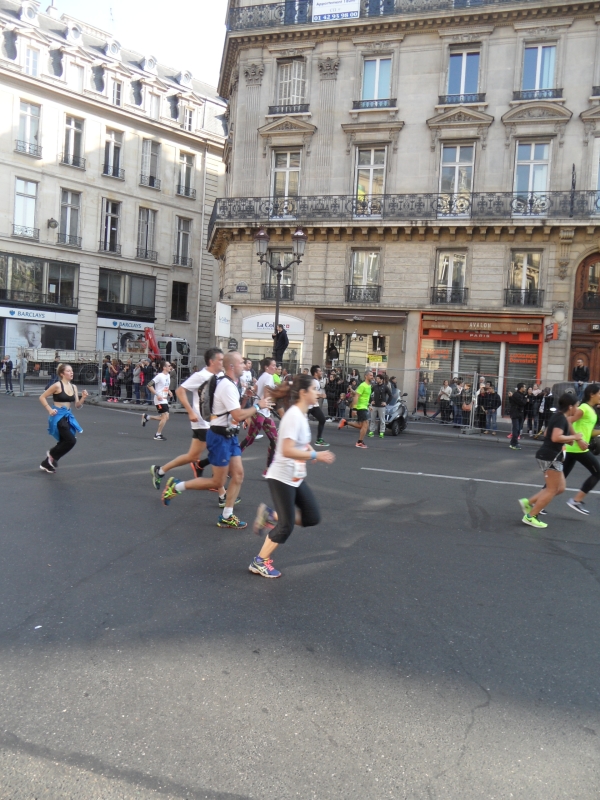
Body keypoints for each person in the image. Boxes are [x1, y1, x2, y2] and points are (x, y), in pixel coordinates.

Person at [161, 351, 272, 529]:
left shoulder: (231, 383)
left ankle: (226, 516)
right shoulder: (227, 385)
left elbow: (234, 411)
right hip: (220, 437)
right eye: (242, 363)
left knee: (238, 475)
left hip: (230, 435)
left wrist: (246, 399)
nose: (245, 366)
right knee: (217, 482)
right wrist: (258, 406)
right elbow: (237, 415)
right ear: (232, 366)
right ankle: (177, 486)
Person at [250, 374, 335, 578]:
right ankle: (259, 561)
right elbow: (287, 450)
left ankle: (270, 515)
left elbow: (299, 442)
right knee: (286, 526)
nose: (318, 393)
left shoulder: (301, 414)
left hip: (294, 477)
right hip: (281, 477)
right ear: (304, 393)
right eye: (314, 389)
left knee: (312, 516)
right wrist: (315, 455)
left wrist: (309, 449)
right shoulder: (294, 416)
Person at [150, 348, 228, 504]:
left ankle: (160, 470)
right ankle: (223, 496)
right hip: (203, 422)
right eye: (220, 359)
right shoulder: (201, 376)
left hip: (210, 421)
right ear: (211, 361)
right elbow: (180, 391)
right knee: (217, 452)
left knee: (192, 456)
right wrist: (191, 411)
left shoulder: (218, 376)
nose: (223, 362)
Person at [519, 393, 585, 528]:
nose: (578, 409)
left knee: (560, 488)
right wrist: (574, 437)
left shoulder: (558, 417)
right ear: (570, 407)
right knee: (552, 489)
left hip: (550, 455)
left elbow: (547, 434)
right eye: (577, 406)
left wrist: (568, 439)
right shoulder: (561, 418)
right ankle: (530, 516)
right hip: (550, 457)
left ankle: (528, 503)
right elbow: (555, 437)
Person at [38, 363, 88, 473]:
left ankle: (47, 462)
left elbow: (77, 405)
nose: (71, 372)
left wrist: (83, 398)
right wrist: (49, 410)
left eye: (72, 371)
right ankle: (52, 455)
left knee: (65, 441)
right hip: (58, 416)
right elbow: (42, 397)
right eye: (68, 371)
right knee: (71, 440)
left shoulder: (74, 387)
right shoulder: (57, 385)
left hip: (68, 416)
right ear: (62, 373)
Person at [562, 384, 600, 515]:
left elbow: (589, 432)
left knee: (560, 478)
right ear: (592, 394)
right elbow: (568, 420)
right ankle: (576, 500)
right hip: (578, 448)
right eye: (599, 393)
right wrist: (578, 439)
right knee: (598, 472)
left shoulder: (591, 409)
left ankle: (533, 503)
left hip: (574, 448)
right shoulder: (584, 408)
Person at [240, 357, 279, 476]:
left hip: (263, 412)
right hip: (260, 412)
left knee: (274, 440)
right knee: (250, 439)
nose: (275, 367)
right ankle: (231, 461)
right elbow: (267, 394)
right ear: (266, 367)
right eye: (273, 365)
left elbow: (255, 389)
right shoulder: (268, 377)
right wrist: (272, 403)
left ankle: (269, 469)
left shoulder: (263, 376)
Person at [339, 370, 373, 448]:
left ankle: (345, 422)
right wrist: (354, 409)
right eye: (370, 375)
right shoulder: (363, 385)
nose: (372, 377)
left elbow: (363, 398)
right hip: (360, 408)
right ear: (366, 376)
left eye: (372, 375)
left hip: (364, 407)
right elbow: (356, 396)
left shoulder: (369, 386)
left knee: (361, 425)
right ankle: (359, 442)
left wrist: (368, 405)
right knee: (365, 425)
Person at [141, 360, 173, 441]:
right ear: (164, 367)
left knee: (166, 417)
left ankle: (147, 417)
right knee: (164, 417)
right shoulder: (159, 376)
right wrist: (157, 394)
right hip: (159, 400)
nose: (170, 367)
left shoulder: (168, 375)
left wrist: (169, 391)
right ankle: (157, 434)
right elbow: (149, 385)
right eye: (169, 366)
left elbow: (165, 386)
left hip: (164, 399)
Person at [308, 365, 329, 447]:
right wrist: (321, 395)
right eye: (320, 371)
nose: (321, 372)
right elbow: (311, 394)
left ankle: (319, 439)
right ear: (315, 373)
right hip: (308, 405)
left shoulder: (316, 381)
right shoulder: (314, 382)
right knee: (301, 422)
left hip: (314, 405)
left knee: (322, 419)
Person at [368, 373, 391, 439]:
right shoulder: (374, 386)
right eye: (376, 378)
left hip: (381, 406)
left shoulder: (385, 387)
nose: (376, 379)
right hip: (374, 405)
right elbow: (369, 393)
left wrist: (386, 403)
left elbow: (391, 395)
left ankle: (382, 432)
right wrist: (371, 401)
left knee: (382, 420)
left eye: (378, 378)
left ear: (382, 380)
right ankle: (371, 431)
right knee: (372, 419)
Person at [508, 383, 527, 449]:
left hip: (520, 414)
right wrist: (525, 399)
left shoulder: (522, 395)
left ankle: (512, 442)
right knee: (516, 429)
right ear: (521, 388)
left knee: (518, 429)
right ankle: (515, 443)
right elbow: (522, 403)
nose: (525, 388)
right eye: (524, 387)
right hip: (515, 414)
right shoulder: (516, 395)